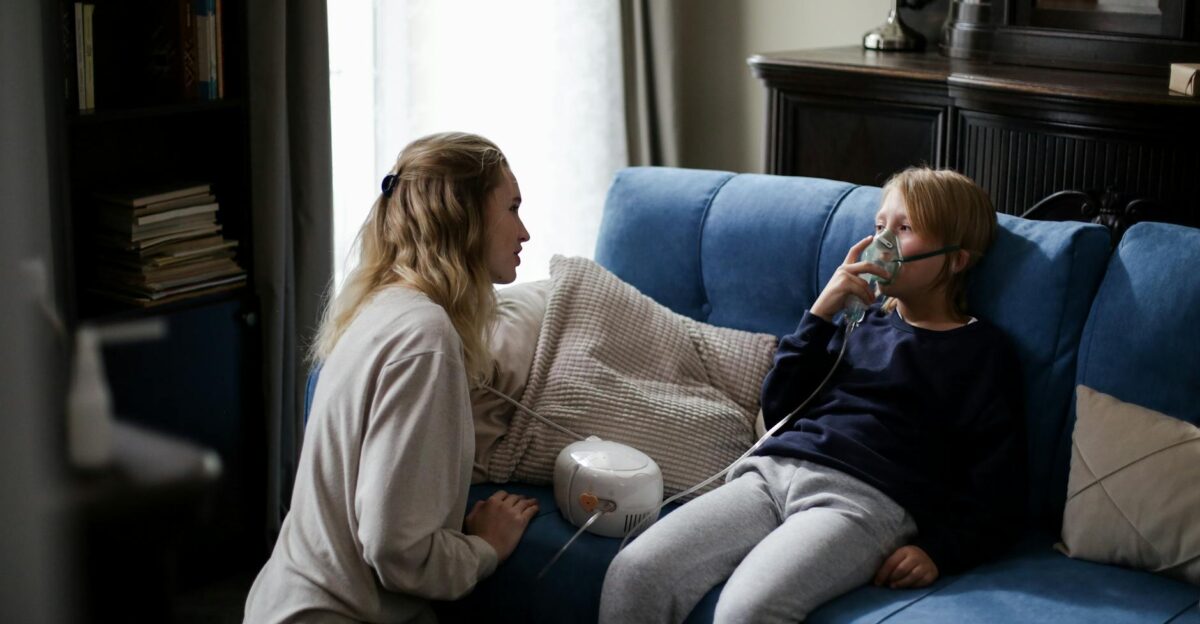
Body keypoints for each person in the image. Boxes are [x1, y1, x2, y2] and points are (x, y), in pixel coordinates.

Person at [599, 167, 1026, 624]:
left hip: (861, 500)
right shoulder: (859, 324)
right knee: (635, 571)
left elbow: (998, 488)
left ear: (956, 260)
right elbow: (779, 405)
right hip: (769, 474)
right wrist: (822, 312)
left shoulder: (982, 352)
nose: (883, 242)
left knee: (747, 611)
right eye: (880, 226)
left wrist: (938, 551)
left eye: (904, 229)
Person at [245, 132, 539, 623]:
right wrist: (484, 548)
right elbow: (394, 546)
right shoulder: (426, 338)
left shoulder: (378, 306)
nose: (524, 231)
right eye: (512, 208)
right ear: (465, 217)